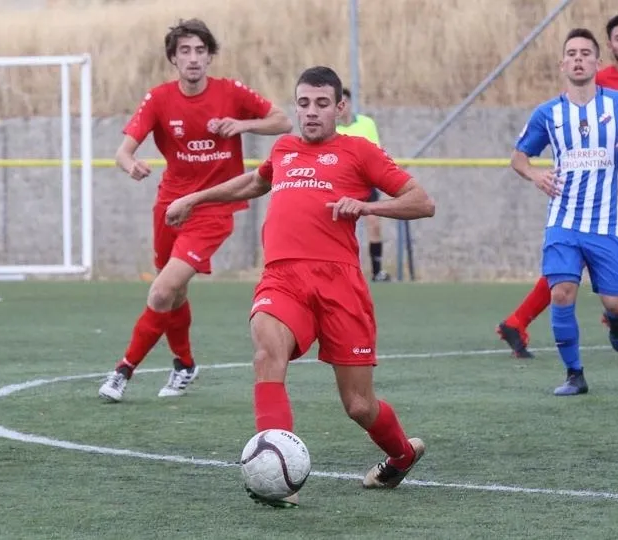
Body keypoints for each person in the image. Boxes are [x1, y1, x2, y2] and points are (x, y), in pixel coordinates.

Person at [165, 66, 435, 506]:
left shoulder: (359, 151)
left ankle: (402, 456)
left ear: (340, 108)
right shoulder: (284, 148)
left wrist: (367, 210)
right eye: (304, 103)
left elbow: (422, 202)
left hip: (340, 286)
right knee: (266, 351)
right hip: (283, 277)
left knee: (358, 406)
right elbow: (256, 182)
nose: (311, 112)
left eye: (322, 104)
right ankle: (276, 474)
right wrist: (196, 198)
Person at [98, 19, 292, 402]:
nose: (193, 58)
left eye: (200, 51)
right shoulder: (159, 99)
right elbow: (123, 151)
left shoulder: (230, 92)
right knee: (175, 293)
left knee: (161, 292)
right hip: (170, 207)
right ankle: (184, 365)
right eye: (184, 51)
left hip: (214, 208)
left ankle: (123, 371)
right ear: (173, 58)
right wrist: (130, 164)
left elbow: (282, 120)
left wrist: (241, 124)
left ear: (209, 56)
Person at [496, 14, 618, 358]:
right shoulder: (597, 79)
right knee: (568, 272)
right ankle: (617, 314)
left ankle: (612, 308)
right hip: (598, 191)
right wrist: (535, 172)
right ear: (607, 48)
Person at [336, 88, 391, 282]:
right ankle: (337, 272)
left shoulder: (367, 124)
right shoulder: (332, 130)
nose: (342, 107)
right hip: (341, 184)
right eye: (338, 104)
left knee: (374, 224)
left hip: (365, 182)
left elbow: (375, 152)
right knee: (336, 228)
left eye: (345, 102)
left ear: (349, 103)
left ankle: (377, 271)